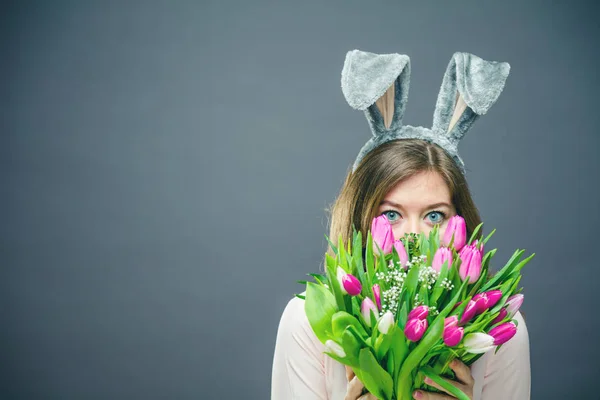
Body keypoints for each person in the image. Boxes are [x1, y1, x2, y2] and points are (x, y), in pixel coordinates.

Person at [271, 50, 531, 400]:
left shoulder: (499, 327)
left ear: (460, 223)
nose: (413, 235)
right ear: (361, 215)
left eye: (434, 216)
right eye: (391, 214)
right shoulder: (305, 321)